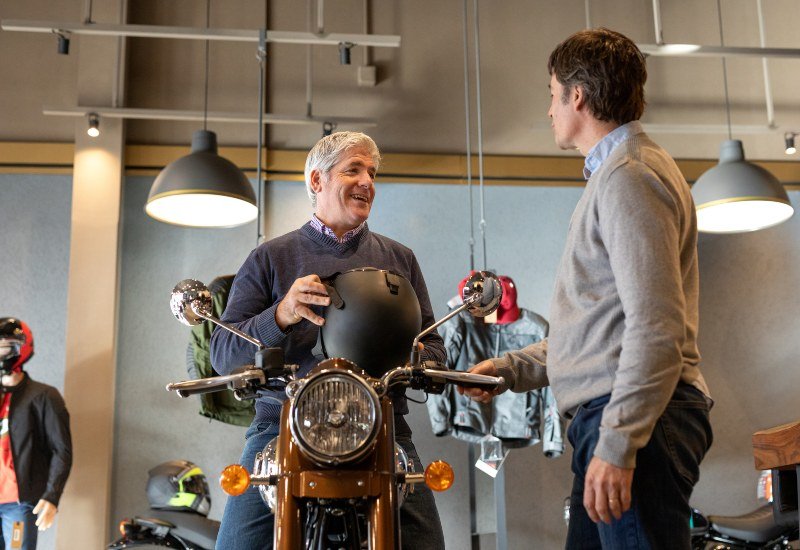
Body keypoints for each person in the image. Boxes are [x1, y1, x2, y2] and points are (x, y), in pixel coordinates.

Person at [461, 28, 713, 549]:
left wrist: (619, 443)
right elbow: (601, 333)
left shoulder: (629, 176)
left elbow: (656, 327)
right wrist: (507, 370)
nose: (551, 109)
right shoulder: (618, 175)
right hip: (619, 416)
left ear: (577, 96)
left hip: (633, 420)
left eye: (552, 94)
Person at [210, 131, 446, 550]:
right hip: (280, 427)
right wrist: (280, 314)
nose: (367, 181)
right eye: (353, 169)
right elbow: (223, 354)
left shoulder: (400, 259)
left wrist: (412, 356)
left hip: (383, 427)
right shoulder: (270, 257)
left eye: (371, 172)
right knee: (238, 543)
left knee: (425, 542)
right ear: (317, 181)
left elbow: (435, 349)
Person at [0, 318, 72, 550]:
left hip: (19, 504)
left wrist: (52, 495)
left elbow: (62, 450)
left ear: (21, 347)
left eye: (6, 345)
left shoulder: (44, 396)